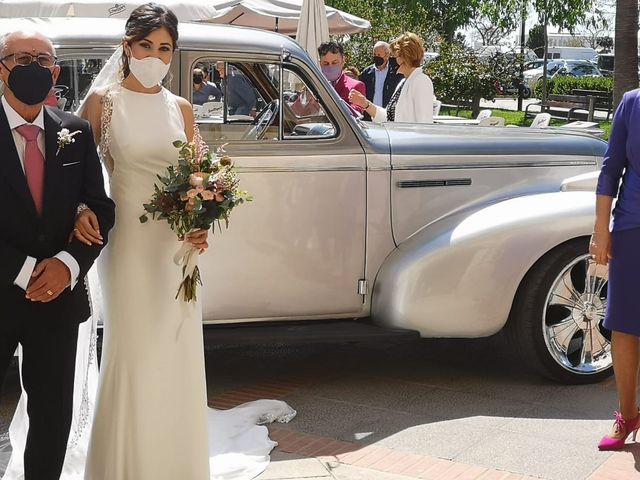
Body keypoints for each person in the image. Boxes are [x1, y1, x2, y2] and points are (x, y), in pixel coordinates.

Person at [17, 3, 296, 479]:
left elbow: (198, 175)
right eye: (145, 45)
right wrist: (84, 210)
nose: (155, 55)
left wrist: (204, 217)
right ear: (127, 46)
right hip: (125, 247)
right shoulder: (102, 102)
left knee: (175, 351)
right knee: (135, 353)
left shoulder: (181, 109)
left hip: (177, 252)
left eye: (164, 48)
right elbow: (78, 179)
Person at [0, 30, 115, 480]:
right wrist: (28, 270)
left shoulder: (76, 132)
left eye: (42, 58)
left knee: (52, 419)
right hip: (2, 291)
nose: (33, 65)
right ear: (1, 67)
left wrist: (68, 265)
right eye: (21, 57)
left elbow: (100, 209)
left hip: (59, 300)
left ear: (54, 71)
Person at [593, 88, 640, 451]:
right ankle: (627, 415)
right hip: (631, 227)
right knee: (624, 325)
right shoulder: (632, 102)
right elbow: (611, 167)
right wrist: (600, 230)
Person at [349, 33, 434, 124]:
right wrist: (365, 103)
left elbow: (425, 124)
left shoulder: (421, 81)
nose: (392, 60)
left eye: (394, 56)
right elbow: (389, 117)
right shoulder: (404, 82)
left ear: (404, 57)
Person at [358, 41, 404, 121]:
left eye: (379, 55)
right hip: (369, 116)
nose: (376, 57)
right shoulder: (367, 72)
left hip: (388, 117)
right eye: (374, 55)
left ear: (387, 55)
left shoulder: (396, 72)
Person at [318, 41, 366, 115]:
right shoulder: (315, 84)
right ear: (320, 63)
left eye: (334, 62)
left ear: (343, 61)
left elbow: (357, 113)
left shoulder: (356, 86)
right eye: (326, 63)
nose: (330, 67)